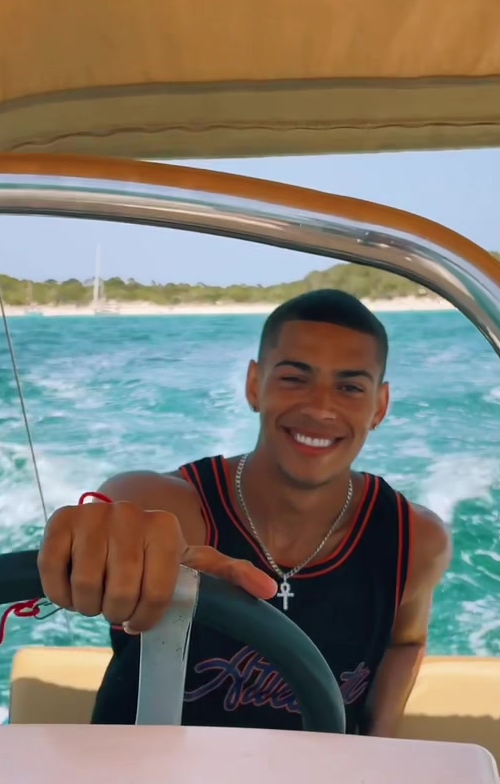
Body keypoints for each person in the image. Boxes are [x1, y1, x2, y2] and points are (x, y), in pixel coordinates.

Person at [38, 289, 451, 736]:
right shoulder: (168, 506)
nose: (320, 407)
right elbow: (117, 513)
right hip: (137, 775)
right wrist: (98, 541)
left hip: (314, 781)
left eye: (349, 388)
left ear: (380, 407)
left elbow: (405, 642)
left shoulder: (412, 541)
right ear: (255, 385)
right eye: (294, 379)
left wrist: (376, 747)